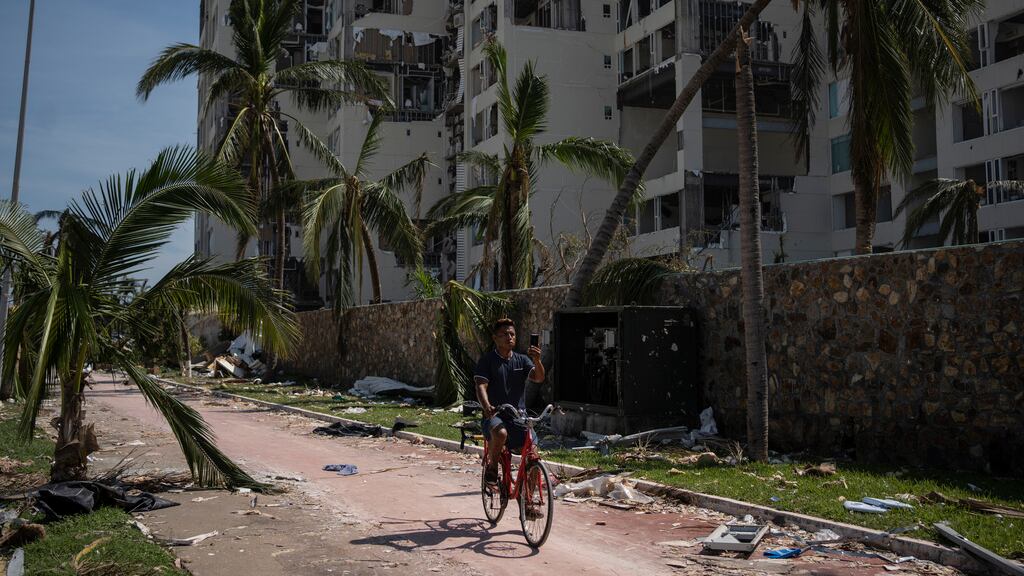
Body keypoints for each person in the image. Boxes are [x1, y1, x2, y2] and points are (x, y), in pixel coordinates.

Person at [474, 318, 545, 485]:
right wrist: (487, 407)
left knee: (533, 456)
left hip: (518, 417)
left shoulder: (522, 360)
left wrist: (537, 360)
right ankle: (492, 467)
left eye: (512, 334)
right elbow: (481, 387)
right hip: (495, 416)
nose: (509, 337)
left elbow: (539, 377)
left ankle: (529, 503)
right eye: (504, 334)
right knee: (501, 433)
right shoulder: (487, 361)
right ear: (495, 338)